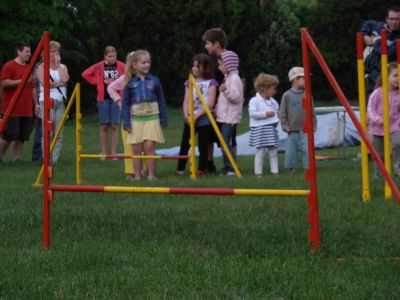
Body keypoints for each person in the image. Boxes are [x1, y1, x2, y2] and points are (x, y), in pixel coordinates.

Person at [122, 50, 167, 180]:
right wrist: (126, 122)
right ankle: (137, 175)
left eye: (148, 62)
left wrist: (163, 118)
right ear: (135, 65)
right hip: (135, 119)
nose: (147, 65)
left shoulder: (155, 81)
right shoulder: (129, 83)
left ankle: (151, 175)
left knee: (149, 147)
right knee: (136, 149)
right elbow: (125, 104)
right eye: (143, 62)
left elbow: (161, 100)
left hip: (152, 118)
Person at [175, 53, 218, 176]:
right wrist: (187, 115)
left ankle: (201, 169)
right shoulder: (189, 82)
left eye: (197, 66)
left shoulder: (211, 83)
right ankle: (180, 169)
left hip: (204, 118)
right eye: (193, 66)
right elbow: (186, 101)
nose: (194, 68)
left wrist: (197, 115)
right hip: (190, 118)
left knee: (202, 145)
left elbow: (210, 103)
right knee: (185, 144)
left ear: (206, 68)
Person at [108, 51, 147, 180]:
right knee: (129, 145)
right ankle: (130, 172)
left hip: (144, 115)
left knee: (145, 144)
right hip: (129, 117)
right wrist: (119, 101)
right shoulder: (124, 79)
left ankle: (145, 170)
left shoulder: (147, 78)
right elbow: (111, 88)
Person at [82, 46, 125, 158]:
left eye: (114, 56)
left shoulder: (121, 65)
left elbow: (129, 76)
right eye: (110, 56)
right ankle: (104, 152)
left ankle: (114, 153)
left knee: (114, 125)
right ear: (105, 56)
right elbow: (85, 74)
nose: (112, 58)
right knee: (104, 125)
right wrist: (98, 81)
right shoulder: (99, 66)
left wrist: (118, 82)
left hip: (116, 98)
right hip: (103, 98)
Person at [0, 42, 38, 163]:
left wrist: (36, 104)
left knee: (23, 135)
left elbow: (32, 88)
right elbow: (4, 83)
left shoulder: (28, 67)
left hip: (26, 108)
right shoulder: (9, 66)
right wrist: (21, 81)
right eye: (26, 51)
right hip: (12, 107)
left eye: (30, 51)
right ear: (19, 52)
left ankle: (16, 159)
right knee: (9, 134)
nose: (29, 54)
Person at [37, 41, 69, 163]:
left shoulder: (63, 67)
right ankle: (47, 159)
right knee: (47, 132)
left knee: (58, 132)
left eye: (58, 51)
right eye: (54, 51)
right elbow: (45, 83)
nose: (57, 53)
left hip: (60, 102)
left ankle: (54, 160)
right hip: (46, 102)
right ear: (47, 53)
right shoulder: (41, 67)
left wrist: (58, 64)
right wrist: (59, 83)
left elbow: (65, 79)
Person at [280, 66, 316, 172]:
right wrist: (285, 125)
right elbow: (282, 113)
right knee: (291, 149)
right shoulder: (287, 95)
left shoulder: (308, 94)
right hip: (292, 129)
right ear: (295, 79)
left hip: (306, 129)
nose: (307, 81)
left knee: (307, 149)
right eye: (304, 78)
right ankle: (290, 167)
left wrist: (314, 123)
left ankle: (308, 168)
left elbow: (312, 110)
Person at [367, 62, 400, 177]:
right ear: (386, 76)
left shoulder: (398, 94)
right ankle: (379, 173)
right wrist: (377, 119)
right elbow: (370, 109)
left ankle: (398, 168)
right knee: (380, 154)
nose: (398, 79)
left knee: (398, 143)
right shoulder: (377, 93)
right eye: (395, 75)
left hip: (395, 125)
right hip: (378, 127)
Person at [202, 28, 228, 173]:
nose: (206, 47)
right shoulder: (208, 60)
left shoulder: (229, 58)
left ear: (216, 43)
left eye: (207, 43)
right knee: (209, 135)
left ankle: (229, 164)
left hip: (226, 103)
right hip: (212, 102)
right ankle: (209, 163)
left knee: (227, 135)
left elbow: (239, 77)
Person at [215, 50, 244, 175]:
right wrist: (216, 110)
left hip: (230, 118)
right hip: (224, 117)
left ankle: (231, 168)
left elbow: (236, 98)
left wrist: (226, 91)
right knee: (224, 143)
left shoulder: (235, 79)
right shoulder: (227, 78)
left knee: (226, 144)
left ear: (228, 65)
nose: (219, 67)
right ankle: (227, 167)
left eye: (221, 64)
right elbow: (222, 101)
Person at [361, 6, 400, 96]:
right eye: (392, 19)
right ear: (387, 19)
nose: (394, 22)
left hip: (390, 73)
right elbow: (367, 24)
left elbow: (389, 52)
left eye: (397, 19)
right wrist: (365, 36)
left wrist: (376, 41)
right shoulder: (377, 26)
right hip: (372, 72)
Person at [248, 73, 280, 177]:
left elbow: (277, 111)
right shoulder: (254, 101)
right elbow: (252, 113)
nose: (274, 91)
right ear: (263, 88)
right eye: (272, 88)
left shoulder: (273, 101)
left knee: (273, 150)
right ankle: (258, 172)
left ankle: (275, 171)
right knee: (260, 151)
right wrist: (265, 114)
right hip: (259, 129)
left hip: (270, 128)